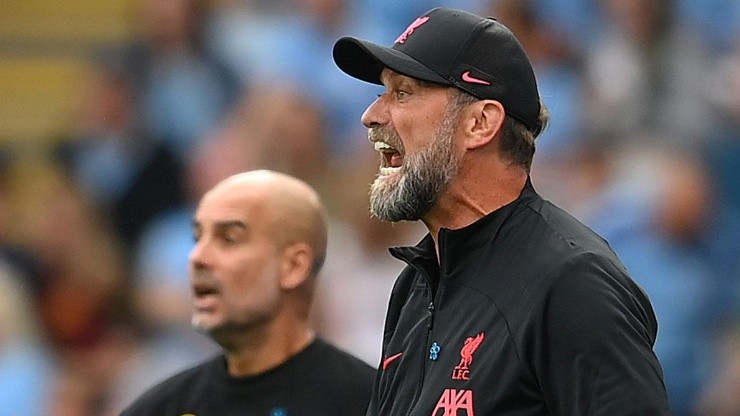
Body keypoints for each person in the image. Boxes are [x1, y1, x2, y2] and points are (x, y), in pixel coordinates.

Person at [332, 7, 670, 415]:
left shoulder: (572, 284)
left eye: (402, 93)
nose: (371, 115)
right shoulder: (415, 285)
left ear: (480, 123)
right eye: (381, 92)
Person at [120, 170, 375, 415]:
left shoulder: (371, 401)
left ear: (293, 266)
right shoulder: (162, 407)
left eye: (229, 239)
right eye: (198, 238)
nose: (197, 257)